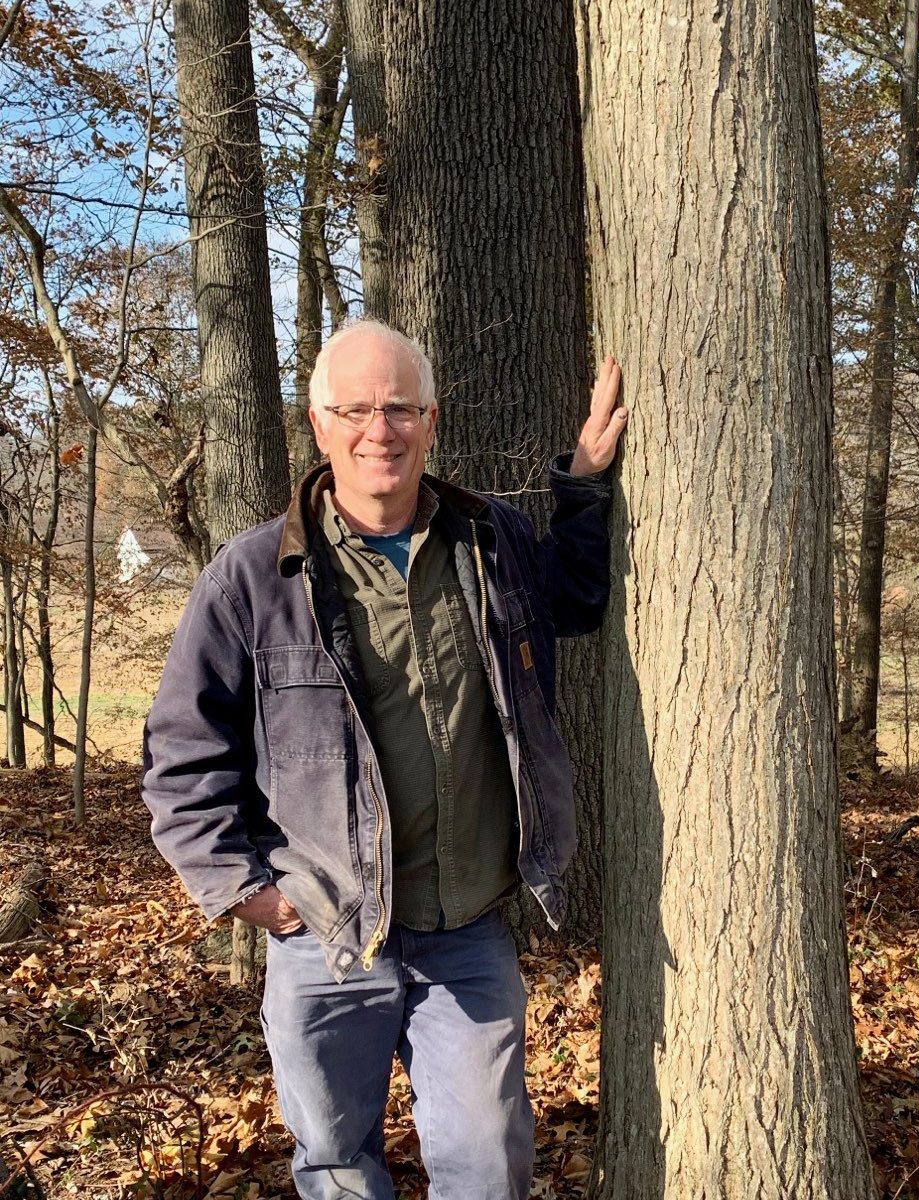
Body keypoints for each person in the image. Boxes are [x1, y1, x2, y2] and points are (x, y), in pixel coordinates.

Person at [142, 320, 626, 1199]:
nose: (381, 429)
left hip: (466, 928)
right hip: (323, 937)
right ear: (320, 426)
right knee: (336, 1167)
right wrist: (245, 891)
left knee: (488, 1166)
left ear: (430, 420)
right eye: (356, 409)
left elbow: (576, 597)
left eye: (399, 407)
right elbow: (181, 751)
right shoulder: (252, 577)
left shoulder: (491, 544)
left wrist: (586, 484)